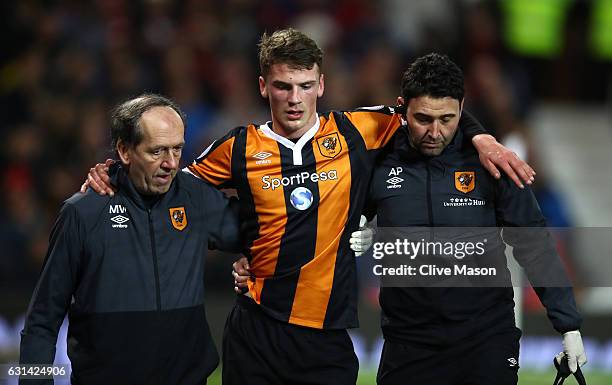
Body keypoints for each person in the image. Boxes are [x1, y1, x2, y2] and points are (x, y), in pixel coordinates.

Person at [83, 29, 536, 385]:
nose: (295, 98)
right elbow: (170, 182)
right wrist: (115, 174)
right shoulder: (238, 147)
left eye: (304, 85)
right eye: (283, 86)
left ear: (322, 83)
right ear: (264, 86)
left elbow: (430, 105)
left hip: (326, 339)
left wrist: (480, 135)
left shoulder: (358, 129)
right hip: (255, 332)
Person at [350, 53, 586, 385]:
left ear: (462, 107)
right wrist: (358, 225)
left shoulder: (492, 162)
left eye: (447, 119)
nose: (435, 131)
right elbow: (346, 212)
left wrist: (568, 324)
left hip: (485, 339)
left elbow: (534, 243)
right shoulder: (378, 159)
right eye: (423, 118)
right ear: (402, 108)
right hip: (408, 343)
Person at [20, 94, 242, 385]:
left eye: (177, 149)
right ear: (125, 151)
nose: (171, 164)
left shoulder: (195, 198)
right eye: (157, 151)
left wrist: (251, 257)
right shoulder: (83, 213)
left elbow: (262, 232)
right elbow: (41, 320)